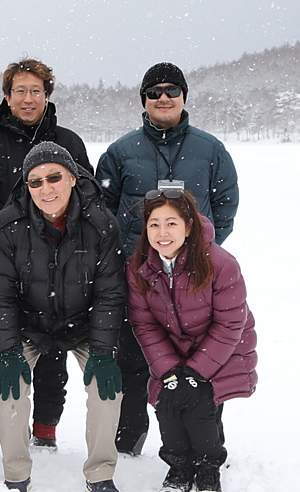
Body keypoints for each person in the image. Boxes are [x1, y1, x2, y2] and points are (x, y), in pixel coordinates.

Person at [95, 62, 239, 456]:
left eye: (172, 90)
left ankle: (207, 442)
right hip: (138, 277)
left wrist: (197, 254)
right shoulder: (121, 151)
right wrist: (135, 256)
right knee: (135, 356)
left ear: (183, 97)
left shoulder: (210, 149)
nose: (163, 97)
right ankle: (129, 439)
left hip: (196, 279)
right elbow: (102, 211)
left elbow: (225, 207)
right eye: (155, 91)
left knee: (202, 360)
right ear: (143, 99)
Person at [0, 142, 127, 492]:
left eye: (54, 178)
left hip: (83, 325)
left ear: (73, 179)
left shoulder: (102, 225)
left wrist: (104, 351)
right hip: (29, 326)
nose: (46, 189)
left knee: (106, 390)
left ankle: (100, 474)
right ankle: (16, 474)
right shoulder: (6, 225)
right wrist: (8, 350)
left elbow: (110, 294)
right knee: (10, 388)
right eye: (35, 182)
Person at [0, 58, 93, 449]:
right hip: (6, 265)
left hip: (62, 264)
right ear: (7, 97)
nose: (27, 99)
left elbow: (88, 200)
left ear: (47, 95)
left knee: (55, 351)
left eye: (35, 91)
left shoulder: (69, 143)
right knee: (9, 345)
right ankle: (14, 429)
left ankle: (46, 428)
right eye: (19, 91)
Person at [125, 188, 257, 492]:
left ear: (189, 225)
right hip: (171, 351)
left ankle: (208, 464)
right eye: (154, 224)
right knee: (167, 403)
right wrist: (169, 368)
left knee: (200, 404)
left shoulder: (220, 263)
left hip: (222, 349)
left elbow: (230, 324)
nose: (162, 232)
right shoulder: (139, 266)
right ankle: (179, 465)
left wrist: (197, 372)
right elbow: (144, 323)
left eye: (171, 223)